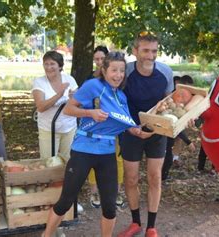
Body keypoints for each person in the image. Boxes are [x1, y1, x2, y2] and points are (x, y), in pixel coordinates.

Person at [42, 52, 141, 237]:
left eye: (122, 71)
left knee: (110, 207)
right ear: (104, 70)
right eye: (114, 70)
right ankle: (46, 235)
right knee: (66, 200)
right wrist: (91, 113)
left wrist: (138, 130)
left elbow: (128, 125)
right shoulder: (93, 86)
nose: (118, 75)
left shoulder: (121, 96)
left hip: (107, 153)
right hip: (83, 150)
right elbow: (68, 109)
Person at [118, 31, 173, 237]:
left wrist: (180, 116)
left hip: (157, 133)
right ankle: (135, 223)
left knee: (154, 178)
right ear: (135, 51)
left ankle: (151, 227)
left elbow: (169, 104)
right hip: (130, 131)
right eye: (145, 51)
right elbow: (116, 103)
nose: (150, 55)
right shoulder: (126, 71)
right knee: (131, 179)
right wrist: (131, 128)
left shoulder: (166, 72)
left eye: (154, 51)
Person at [85, 46, 126, 209]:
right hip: (95, 128)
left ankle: (117, 192)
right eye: (97, 59)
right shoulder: (90, 80)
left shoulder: (118, 80)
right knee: (94, 158)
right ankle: (95, 192)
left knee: (117, 159)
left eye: (102, 59)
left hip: (115, 128)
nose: (99, 62)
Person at [32, 51, 78, 162]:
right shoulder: (39, 82)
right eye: (46, 64)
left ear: (60, 66)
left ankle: (66, 180)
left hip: (69, 128)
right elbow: (41, 107)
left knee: (68, 162)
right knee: (48, 162)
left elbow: (79, 103)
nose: (49, 67)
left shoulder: (69, 79)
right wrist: (59, 94)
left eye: (52, 64)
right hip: (48, 129)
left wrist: (74, 98)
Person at [161, 75, 196, 181]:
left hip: (171, 133)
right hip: (165, 131)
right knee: (166, 155)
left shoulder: (184, 102)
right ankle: (162, 177)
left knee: (168, 154)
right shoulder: (172, 98)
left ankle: (163, 176)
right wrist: (188, 141)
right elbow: (175, 124)